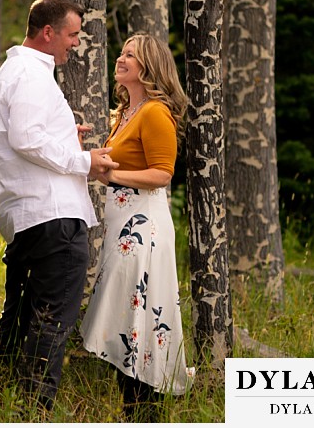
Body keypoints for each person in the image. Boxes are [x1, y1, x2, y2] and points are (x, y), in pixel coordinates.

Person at [0, 0, 118, 412]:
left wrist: (62, 138)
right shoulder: (32, 76)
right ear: (48, 33)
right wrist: (83, 160)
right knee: (51, 321)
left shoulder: (9, 75)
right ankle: (32, 412)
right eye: (72, 34)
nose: (75, 43)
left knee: (19, 316)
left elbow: (15, 138)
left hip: (28, 217)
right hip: (52, 217)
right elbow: (25, 138)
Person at [79, 33, 193, 419]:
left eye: (131, 54)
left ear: (149, 67)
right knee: (128, 316)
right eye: (122, 52)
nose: (121, 58)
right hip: (123, 226)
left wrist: (112, 175)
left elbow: (162, 174)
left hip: (143, 227)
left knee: (137, 316)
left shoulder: (155, 112)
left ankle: (145, 411)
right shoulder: (126, 112)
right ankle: (136, 410)